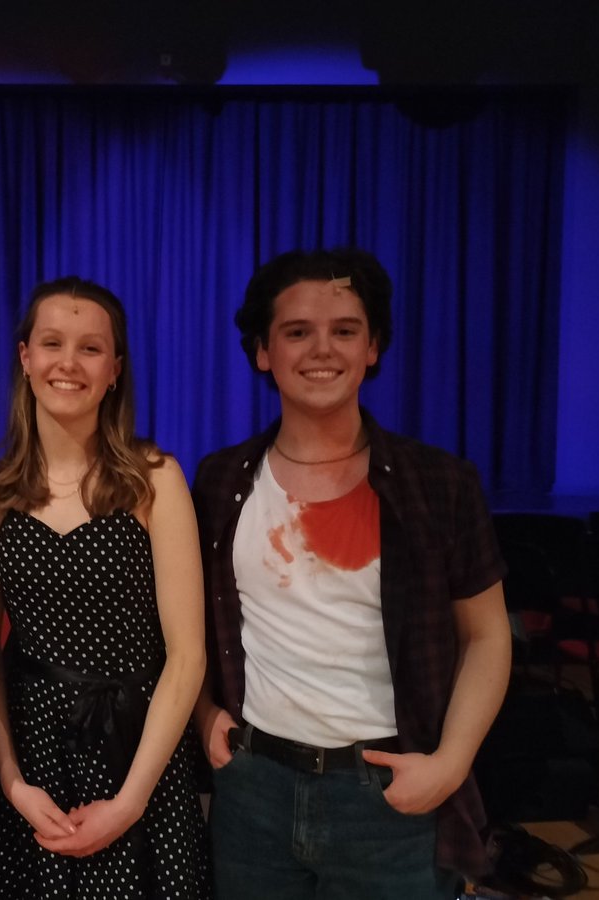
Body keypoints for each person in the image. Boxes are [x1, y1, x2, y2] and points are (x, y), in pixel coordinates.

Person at [192, 248, 512, 899]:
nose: (322, 350)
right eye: (297, 331)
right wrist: (202, 716)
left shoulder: (439, 483)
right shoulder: (221, 479)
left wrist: (451, 765)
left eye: (344, 330)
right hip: (253, 790)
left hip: (390, 795)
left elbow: (487, 635)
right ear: (263, 351)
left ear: (372, 348)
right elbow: (188, 624)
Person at [0, 277, 212, 899]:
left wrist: (130, 802)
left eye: (90, 348)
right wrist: (12, 779)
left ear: (115, 370)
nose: (68, 363)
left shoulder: (156, 480)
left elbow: (186, 656)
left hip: (138, 753)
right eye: (52, 343)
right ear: (25, 358)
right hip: (34, 757)